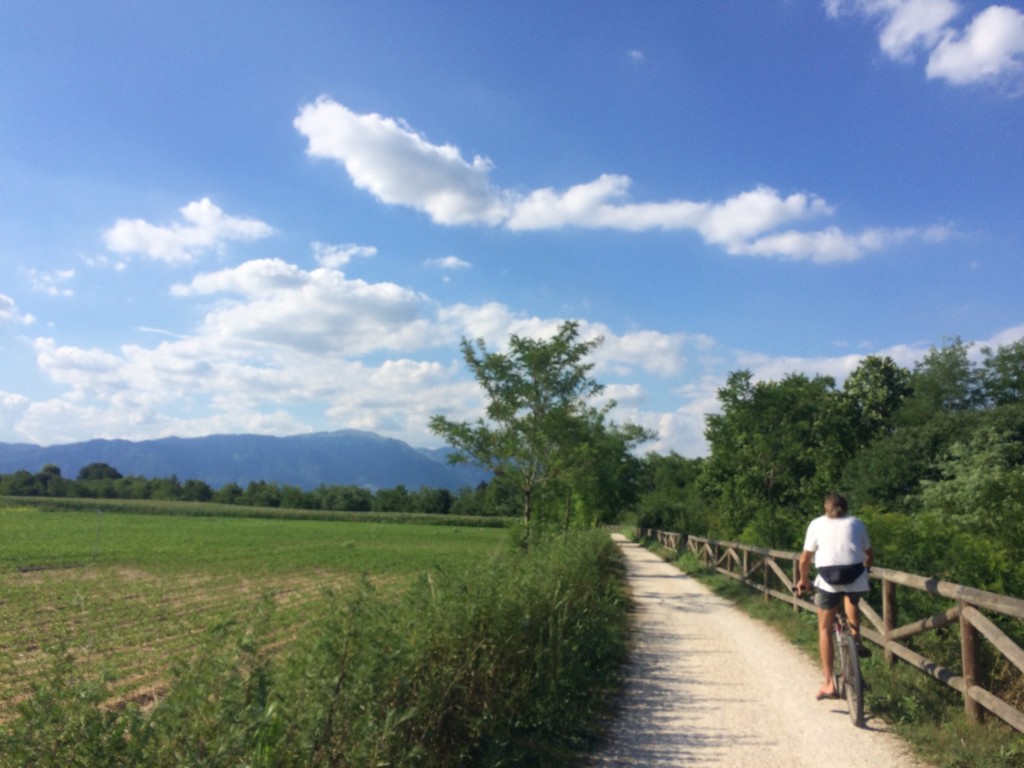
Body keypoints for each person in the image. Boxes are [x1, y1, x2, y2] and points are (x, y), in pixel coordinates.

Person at [796, 493, 873, 700]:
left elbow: (805, 559)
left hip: (829, 579)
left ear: (825, 508)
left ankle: (829, 682)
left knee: (824, 627)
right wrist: (867, 570)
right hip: (856, 576)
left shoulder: (816, 524)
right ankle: (855, 641)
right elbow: (868, 554)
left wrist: (803, 580)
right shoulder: (857, 523)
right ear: (846, 508)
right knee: (851, 599)